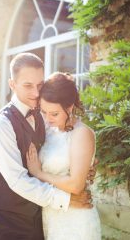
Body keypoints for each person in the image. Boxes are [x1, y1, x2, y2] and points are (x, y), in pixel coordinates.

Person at [0, 53, 97, 240]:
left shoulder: (43, 115)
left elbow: (64, 145)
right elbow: (17, 180)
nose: (36, 93)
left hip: (40, 217)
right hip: (6, 220)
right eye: (27, 85)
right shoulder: (0, 124)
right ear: (12, 84)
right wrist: (66, 200)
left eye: (40, 85)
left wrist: (86, 165)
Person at [26, 72, 101, 239]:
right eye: (44, 112)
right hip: (52, 215)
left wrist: (39, 173)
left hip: (76, 220)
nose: (47, 119)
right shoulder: (48, 130)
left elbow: (75, 185)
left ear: (69, 108)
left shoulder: (81, 134)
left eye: (54, 114)